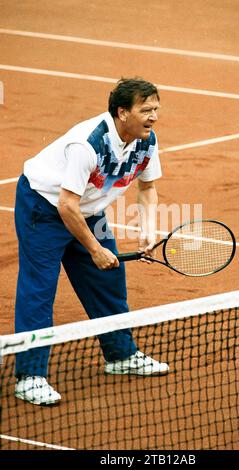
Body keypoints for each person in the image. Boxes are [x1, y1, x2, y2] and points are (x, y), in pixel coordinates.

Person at [14, 77, 169, 406]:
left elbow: (147, 188)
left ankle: (121, 355)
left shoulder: (146, 141)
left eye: (156, 108)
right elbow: (65, 205)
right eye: (146, 109)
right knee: (39, 288)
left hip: (86, 209)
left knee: (107, 278)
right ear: (122, 112)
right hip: (44, 207)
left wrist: (147, 229)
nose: (154, 115)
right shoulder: (89, 143)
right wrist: (95, 249)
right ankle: (29, 377)